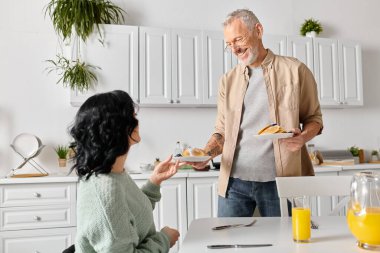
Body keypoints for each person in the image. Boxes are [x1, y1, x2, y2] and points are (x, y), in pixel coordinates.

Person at [191, 9, 323, 217]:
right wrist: (205, 154)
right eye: (229, 44)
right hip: (233, 183)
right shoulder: (228, 80)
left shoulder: (295, 71)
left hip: (280, 183)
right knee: (229, 245)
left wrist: (303, 138)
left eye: (238, 39)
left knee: (283, 246)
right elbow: (222, 131)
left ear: (258, 31)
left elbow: (314, 119)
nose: (234, 48)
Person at [69, 90, 180, 252]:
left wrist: (154, 182)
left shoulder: (114, 174)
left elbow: (132, 216)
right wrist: (164, 239)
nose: (137, 122)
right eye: (133, 117)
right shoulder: (105, 190)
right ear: (115, 127)